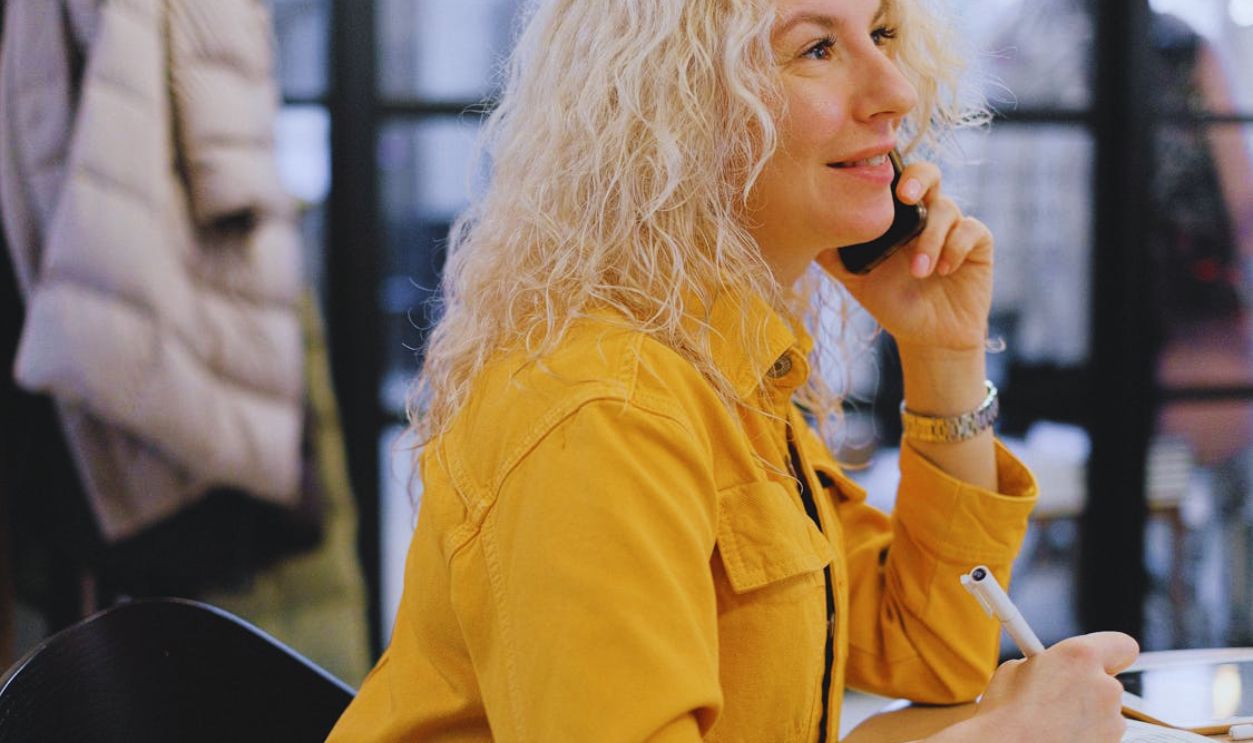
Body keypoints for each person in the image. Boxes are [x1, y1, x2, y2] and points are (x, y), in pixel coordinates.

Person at [327, 0, 1140, 740]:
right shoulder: (606, 404)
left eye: (883, 33)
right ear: (674, 111)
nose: (893, 89)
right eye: (818, 48)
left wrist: (942, 352)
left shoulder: (722, 364)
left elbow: (927, 646)